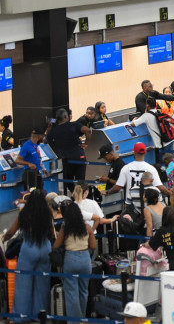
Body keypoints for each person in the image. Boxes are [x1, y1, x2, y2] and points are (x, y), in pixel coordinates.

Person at [2, 189, 53, 321]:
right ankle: (40, 315)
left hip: (29, 248)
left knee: (23, 284)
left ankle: (21, 317)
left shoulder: (24, 214)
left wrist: (4, 239)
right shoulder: (47, 213)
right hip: (45, 247)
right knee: (42, 284)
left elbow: (11, 232)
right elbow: (51, 233)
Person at [53, 201, 96, 321]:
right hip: (85, 259)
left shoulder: (65, 227)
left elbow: (56, 245)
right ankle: (82, 319)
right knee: (83, 291)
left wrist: (57, 236)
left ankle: (75, 322)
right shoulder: (87, 227)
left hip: (70, 259)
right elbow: (93, 245)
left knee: (71, 293)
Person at [105, 142, 169, 211]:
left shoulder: (126, 168)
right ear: (145, 153)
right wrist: (170, 193)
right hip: (148, 206)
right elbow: (159, 187)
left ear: (134, 153)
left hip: (131, 206)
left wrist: (108, 192)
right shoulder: (151, 168)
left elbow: (118, 187)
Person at [49, 108, 91, 193]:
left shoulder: (54, 130)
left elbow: (46, 140)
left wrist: (49, 126)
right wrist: (86, 143)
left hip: (67, 159)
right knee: (81, 181)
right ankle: (82, 198)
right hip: (79, 156)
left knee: (69, 182)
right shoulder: (74, 125)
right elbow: (88, 130)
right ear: (65, 116)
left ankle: (76, 197)